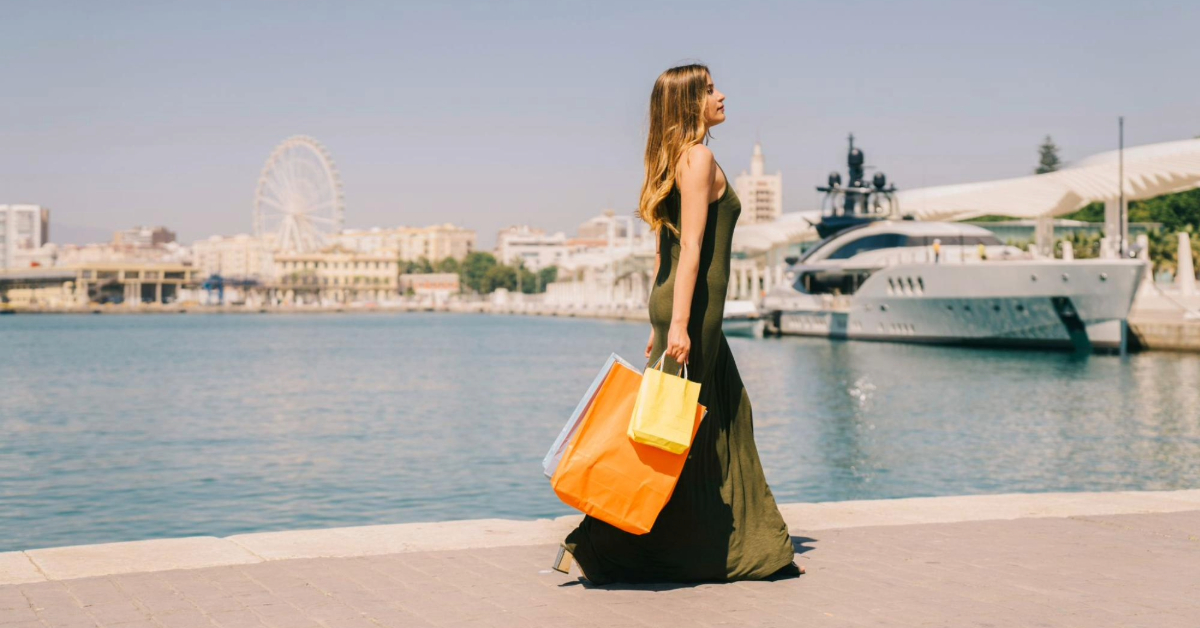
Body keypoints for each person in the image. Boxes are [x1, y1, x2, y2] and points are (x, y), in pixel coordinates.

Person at [559, 63, 801, 585]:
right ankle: (598, 544)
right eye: (711, 89)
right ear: (689, 103)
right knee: (668, 431)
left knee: (719, 414)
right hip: (695, 311)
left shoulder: (673, 160)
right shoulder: (698, 157)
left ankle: (734, 541)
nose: (722, 94)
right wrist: (679, 325)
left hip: (680, 308)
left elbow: (661, 252)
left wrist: (662, 318)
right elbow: (688, 249)